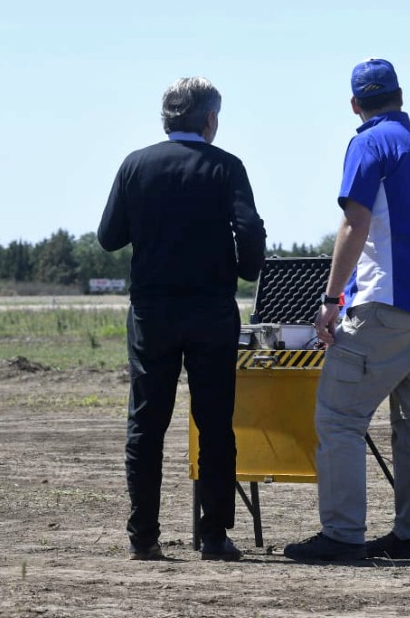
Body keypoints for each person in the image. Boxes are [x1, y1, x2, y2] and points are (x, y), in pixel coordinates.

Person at [284, 58, 410, 563]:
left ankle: (342, 534)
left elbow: (354, 223)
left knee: (339, 416)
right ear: (400, 97)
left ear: (355, 105)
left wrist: (332, 300)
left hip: (382, 303)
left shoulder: (367, 142)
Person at [98, 76, 266, 562]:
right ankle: (213, 535)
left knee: (146, 423)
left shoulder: (136, 165)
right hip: (212, 308)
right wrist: (245, 270)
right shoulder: (226, 167)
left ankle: (143, 536)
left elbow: (109, 237)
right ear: (210, 120)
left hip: (153, 310)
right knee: (215, 422)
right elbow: (249, 228)